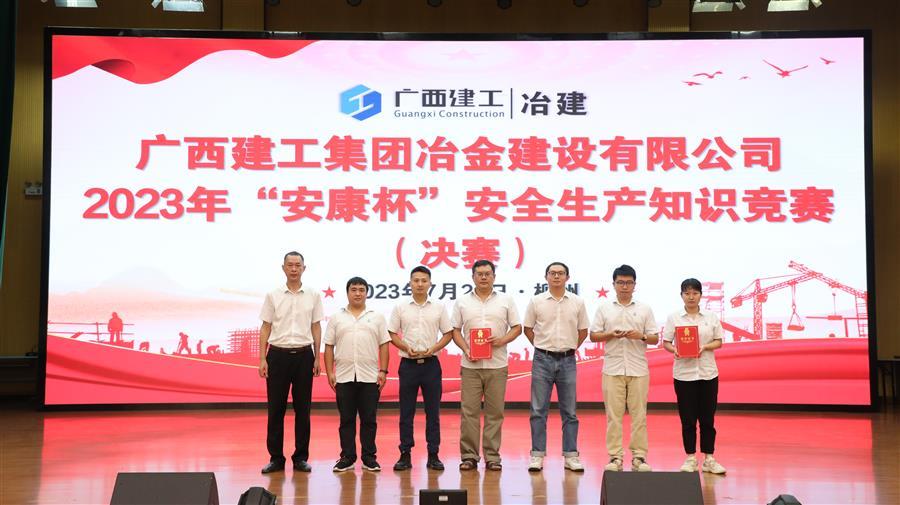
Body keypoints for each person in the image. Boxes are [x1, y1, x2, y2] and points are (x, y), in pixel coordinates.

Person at [452, 259, 522, 472]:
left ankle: (492, 456)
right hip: (470, 366)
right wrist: (466, 349)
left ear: (494, 277)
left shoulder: (506, 300)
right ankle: (469, 456)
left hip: (497, 365)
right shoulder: (462, 301)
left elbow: (517, 327)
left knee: (495, 413)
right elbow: (455, 330)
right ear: (473, 277)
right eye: (479, 274)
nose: (483, 277)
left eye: (487, 274)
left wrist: (501, 340)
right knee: (469, 413)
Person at [258, 251, 323, 474]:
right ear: (283, 268)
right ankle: (276, 458)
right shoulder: (273, 295)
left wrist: (317, 357)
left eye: (298, 265)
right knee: (276, 409)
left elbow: (316, 326)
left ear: (304, 268)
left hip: (304, 356)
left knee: (303, 410)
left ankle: (300, 457)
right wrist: (262, 358)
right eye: (290, 265)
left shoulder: (313, 295)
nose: (294, 269)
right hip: (277, 356)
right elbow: (266, 326)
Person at [590, 264, 659, 472]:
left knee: (639, 415)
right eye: (620, 282)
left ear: (635, 285)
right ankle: (615, 457)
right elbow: (594, 335)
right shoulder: (604, 308)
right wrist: (610, 334)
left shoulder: (645, 309)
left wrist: (641, 336)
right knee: (613, 416)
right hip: (612, 368)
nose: (625, 286)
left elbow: (654, 338)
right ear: (613, 284)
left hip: (638, 368)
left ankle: (639, 457)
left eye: (629, 283)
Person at [523, 262, 589, 473]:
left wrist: (569, 348)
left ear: (568, 278)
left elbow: (583, 331)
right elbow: (528, 328)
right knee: (538, 410)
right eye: (553, 273)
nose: (557, 277)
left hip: (568, 360)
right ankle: (537, 455)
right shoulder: (536, 301)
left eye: (561, 273)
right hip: (542, 359)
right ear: (546, 277)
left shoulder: (577, 302)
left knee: (569, 411)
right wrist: (542, 347)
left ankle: (571, 455)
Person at [388, 266, 455, 471]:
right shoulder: (400, 307)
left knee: (433, 413)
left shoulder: (439, 307)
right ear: (410, 283)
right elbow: (392, 333)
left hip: (431, 365)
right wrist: (405, 347)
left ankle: (433, 454)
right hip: (408, 365)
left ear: (430, 283)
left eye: (424, 280)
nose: (419, 284)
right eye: (416, 280)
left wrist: (434, 348)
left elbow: (448, 333)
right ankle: (405, 454)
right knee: (406, 412)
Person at [324, 277, 391, 473]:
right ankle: (347, 457)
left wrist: (383, 370)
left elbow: (384, 344)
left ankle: (369, 458)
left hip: (370, 377)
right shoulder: (337, 317)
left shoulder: (377, 317)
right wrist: (330, 372)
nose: (358, 293)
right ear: (347, 293)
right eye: (353, 289)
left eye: (362, 290)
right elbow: (329, 346)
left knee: (369, 420)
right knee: (346, 420)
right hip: (344, 376)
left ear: (367, 293)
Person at [662, 278, 727, 475]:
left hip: (708, 374)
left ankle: (709, 458)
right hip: (684, 375)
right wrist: (675, 350)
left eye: (695, 293)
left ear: (701, 295)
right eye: (687, 293)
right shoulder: (674, 318)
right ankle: (690, 458)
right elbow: (666, 342)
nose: (691, 297)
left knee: (707, 419)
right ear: (681, 295)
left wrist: (705, 347)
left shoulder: (711, 317)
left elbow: (719, 341)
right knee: (688, 419)